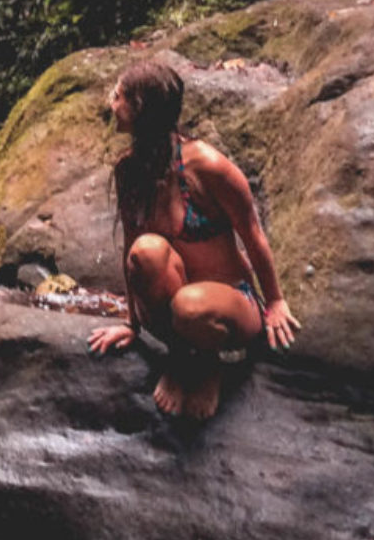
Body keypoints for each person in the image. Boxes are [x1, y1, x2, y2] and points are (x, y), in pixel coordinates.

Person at [87, 60, 298, 418]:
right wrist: (131, 324)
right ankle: (182, 357)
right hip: (174, 312)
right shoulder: (129, 170)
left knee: (191, 305)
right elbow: (131, 249)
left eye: (118, 95)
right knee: (145, 251)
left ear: (140, 108)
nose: (111, 102)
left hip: (229, 307)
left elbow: (253, 234)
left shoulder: (207, 167)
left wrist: (276, 301)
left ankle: (208, 366)